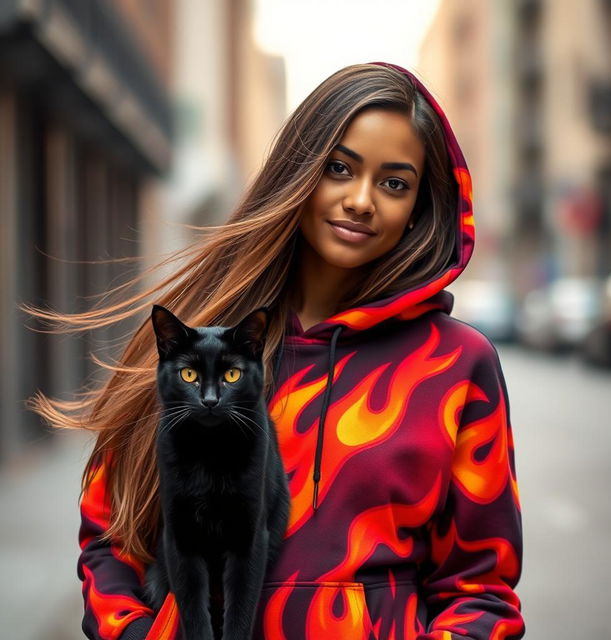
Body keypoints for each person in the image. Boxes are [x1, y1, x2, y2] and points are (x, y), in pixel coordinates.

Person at [28, 61, 525, 639]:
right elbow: (109, 538)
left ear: (418, 207)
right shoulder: (199, 346)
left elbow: (480, 591)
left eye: (394, 183)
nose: (362, 200)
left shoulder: (456, 364)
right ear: (299, 172)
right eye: (339, 168)